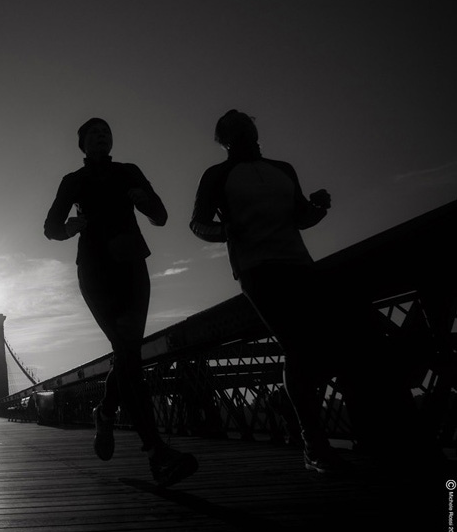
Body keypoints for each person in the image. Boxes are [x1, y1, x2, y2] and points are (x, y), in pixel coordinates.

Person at [189, 109, 434, 475]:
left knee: (332, 344)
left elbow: (300, 216)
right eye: (234, 126)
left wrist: (318, 207)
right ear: (223, 139)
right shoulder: (217, 175)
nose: (242, 127)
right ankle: (313, 444)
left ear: (255, 128)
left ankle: (307, 412)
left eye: (246, 121)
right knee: (299, 346)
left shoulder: (283, 169)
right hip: (257, 268)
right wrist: (225, 232)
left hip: (300, 263)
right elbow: (198, 223)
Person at [44, 117, 198, 487]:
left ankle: (105, 412)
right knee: (128, 352)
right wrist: (68, 229)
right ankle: (157, 452)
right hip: (96, 271)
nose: (102, 136)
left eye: (106, 132)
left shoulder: (129, 171)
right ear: (82, 144)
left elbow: (161, 216)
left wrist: (144, 201)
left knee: (127, 352)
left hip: (132, 267)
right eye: (94, 133)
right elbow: (50, 227)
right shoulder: (73, 181)